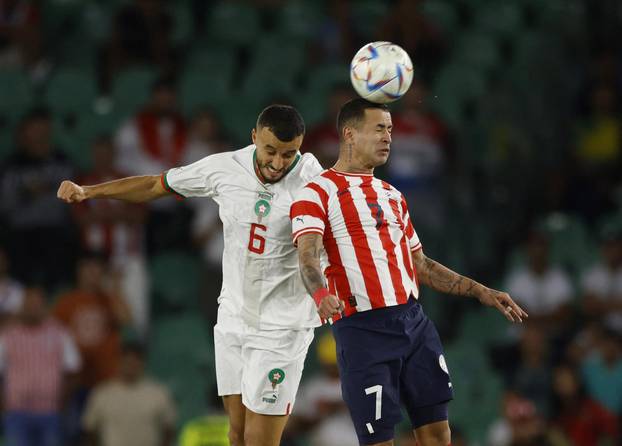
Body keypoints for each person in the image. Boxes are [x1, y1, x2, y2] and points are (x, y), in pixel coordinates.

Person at [57, 105, 324, 446]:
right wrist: (90, 191)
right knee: (237, 434)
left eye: (289, 154)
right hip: (233, 319)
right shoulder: (225, 168)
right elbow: (156, 185)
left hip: (282, 325)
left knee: (260, 440)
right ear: (254, 137)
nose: (277, 162)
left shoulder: (315, 180)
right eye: (270, 151)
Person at [291, 99, 528, 446]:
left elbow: (421, 264)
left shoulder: (392, 195)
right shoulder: (316, 193)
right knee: (379, 439)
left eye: (390, 129)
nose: (388, 137)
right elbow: (307, 258)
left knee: (437, 434)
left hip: (414, 322)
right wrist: (321, 294)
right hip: (363, 330)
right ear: (349, 134)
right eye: (379, 129)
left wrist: (480, 290)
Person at [0, 287, 81, 446]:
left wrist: (61, 402)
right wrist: (3, 404)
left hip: (50, 413)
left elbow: (73, 370)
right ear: (22, 307)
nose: (32, 310)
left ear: (45, 307)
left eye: (37, 305)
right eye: (29, 305)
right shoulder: (8, 335)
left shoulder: (59, 333)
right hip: (17, 413)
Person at [83, 342, 176, 446]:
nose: (131, 366)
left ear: (142, 363)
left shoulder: (158, 393)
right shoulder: (102, 394)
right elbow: (90, 430)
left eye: (135, 361)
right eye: (127, 362)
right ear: (119, 362)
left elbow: (169, 429)